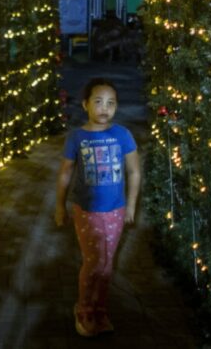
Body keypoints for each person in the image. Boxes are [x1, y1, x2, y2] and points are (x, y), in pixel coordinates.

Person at [54, 77, 141, 336]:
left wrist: (131, 206)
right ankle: (84, 309)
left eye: (111, 103)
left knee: (107, 264)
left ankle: (100, 309)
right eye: (99, 102)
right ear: (85, 105)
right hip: (86, 210)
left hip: (115, 210)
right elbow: (65, 174)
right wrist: (60, 206)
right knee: (93, 262)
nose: (105, 108)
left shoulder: (122, 135)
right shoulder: (77, 137)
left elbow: (134, 172)